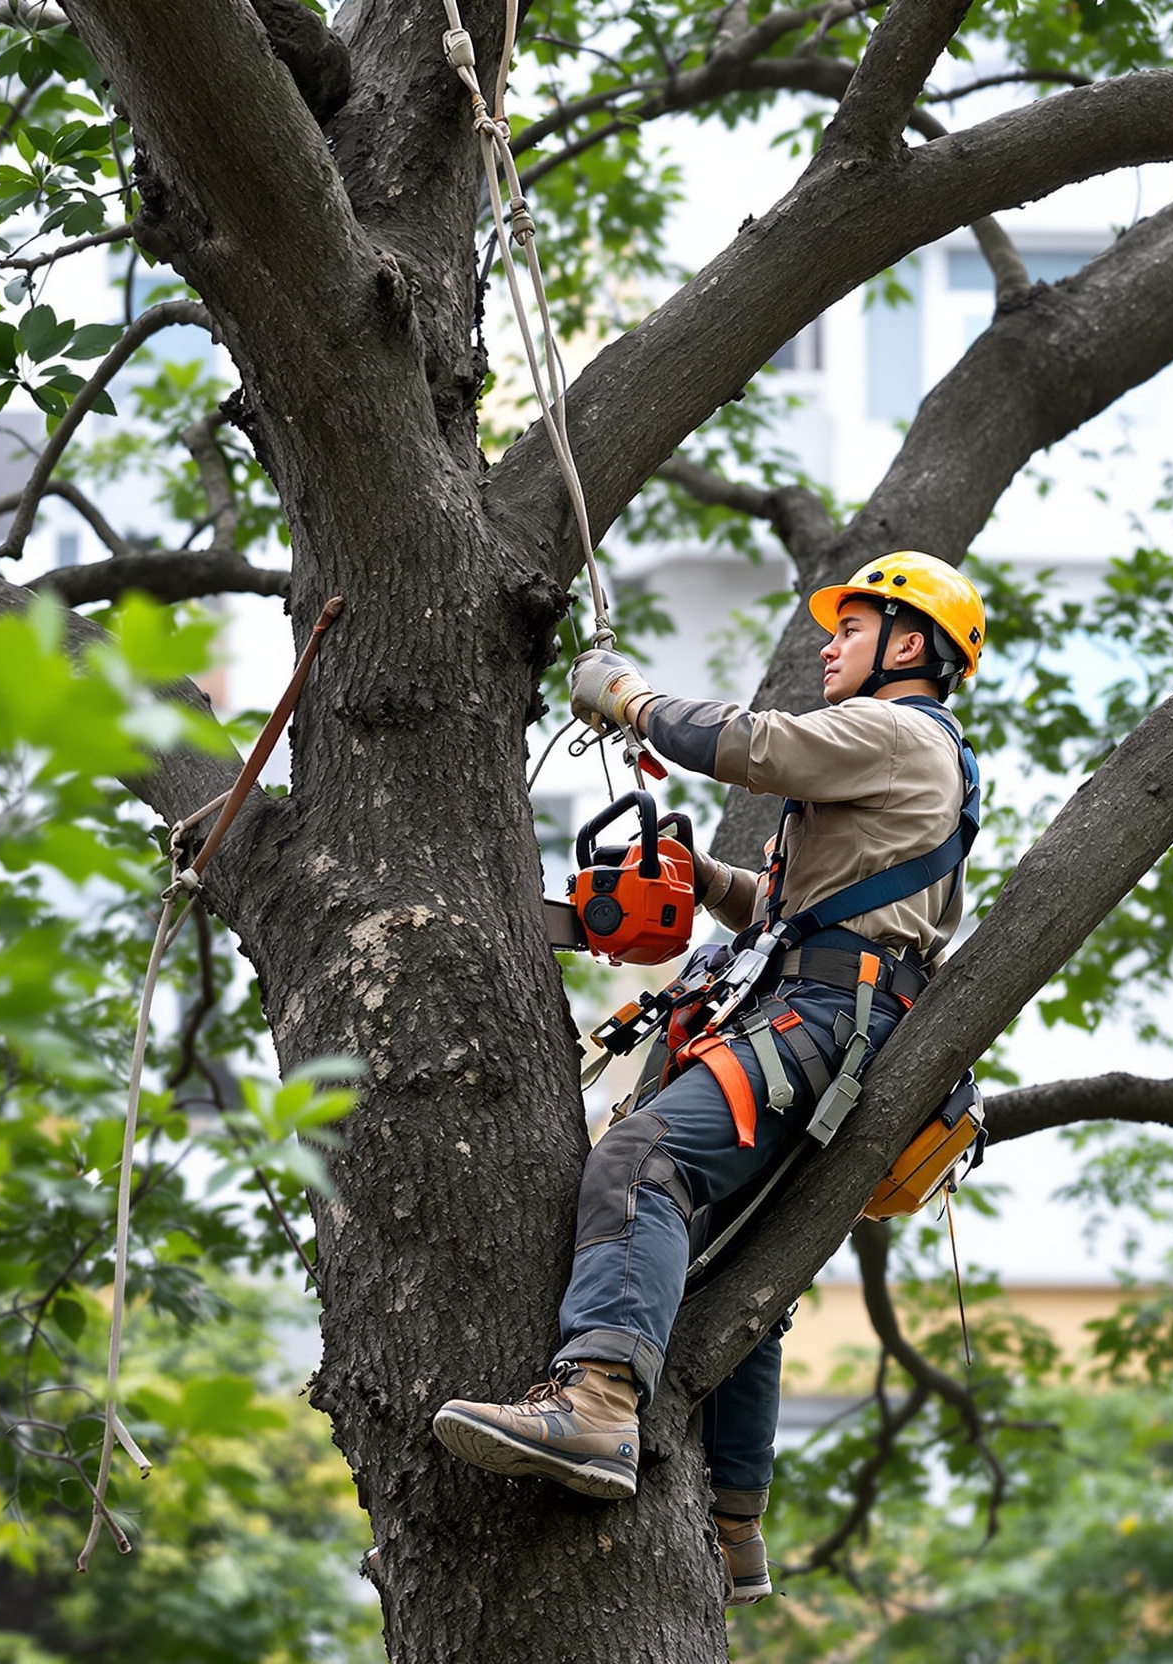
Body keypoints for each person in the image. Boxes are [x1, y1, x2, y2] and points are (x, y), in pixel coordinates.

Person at [431, 550, 986, 1607]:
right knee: (734, 1279)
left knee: (640, 1161)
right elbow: (804, 912)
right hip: (822, 1006)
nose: (829, 643)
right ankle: (734, 1520)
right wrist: (710, 884)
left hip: (822, 1018)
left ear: (908, 645)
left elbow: (750, 744)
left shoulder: (901, 730)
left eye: (852, 628)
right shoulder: (895, 759)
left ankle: (595, 1398)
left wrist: (632, 699)